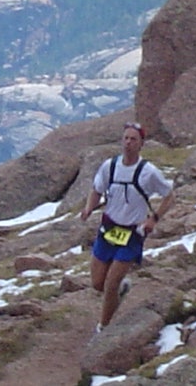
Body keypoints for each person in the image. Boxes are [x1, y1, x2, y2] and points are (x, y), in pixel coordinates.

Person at [80, 121, 174, 333]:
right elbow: (96, 190)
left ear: (141, 144)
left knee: (110, 284)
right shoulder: (109, 166)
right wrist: (88, 209)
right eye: (126, 138)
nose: (128, 143)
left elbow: (169, 195)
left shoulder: (148, 172)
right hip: (109, 229)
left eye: (134, 139)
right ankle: (120, 291)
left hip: (132, 234)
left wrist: (154, 218)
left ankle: (103, 327)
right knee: (97, 284)